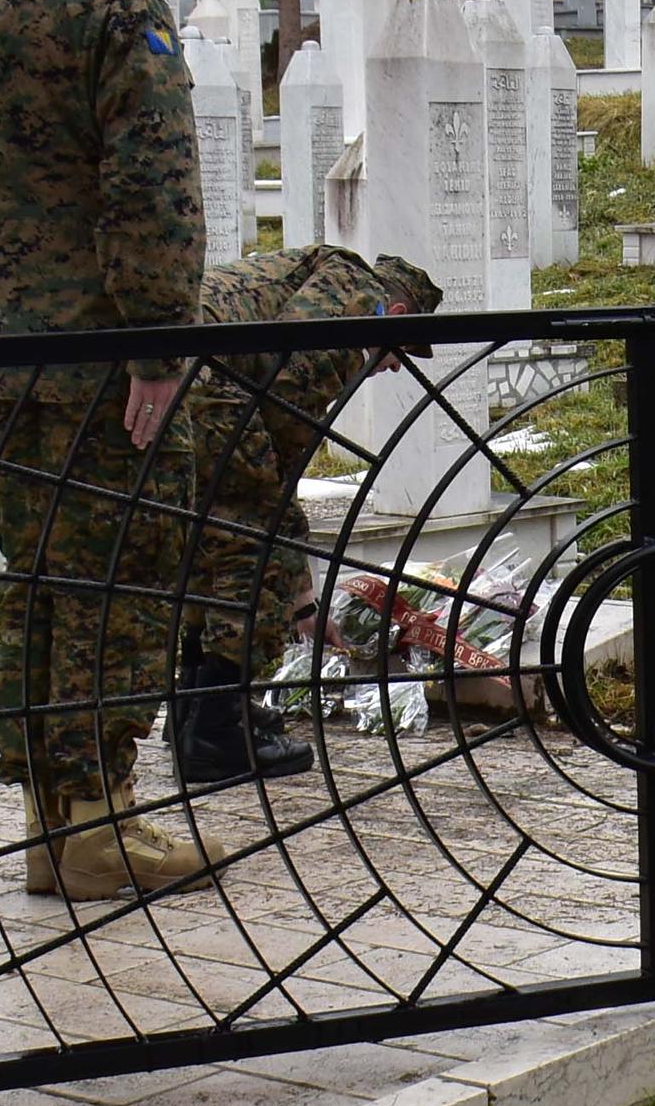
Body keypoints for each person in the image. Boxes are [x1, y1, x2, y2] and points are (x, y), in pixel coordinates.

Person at [0, 0, 217, 901]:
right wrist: (158, 341)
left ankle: (50, 811)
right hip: (105, 353)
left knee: (43, 581)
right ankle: (101, 817)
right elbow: (149, 188)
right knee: (123, 577)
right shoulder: (118, 10)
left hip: (0, 352)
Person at [165, 242, 445, 776]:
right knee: (245, 553)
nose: (390, 368)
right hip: (208, 387)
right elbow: (283, 432)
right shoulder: (352, 307)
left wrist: (303, 606)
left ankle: (199, 711)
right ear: (396, 315)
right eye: (399, 353)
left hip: (186, 372)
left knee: (214, 540)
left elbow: (274, 462)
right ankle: (214, 735)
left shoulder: (322, 274)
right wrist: (296, 594)